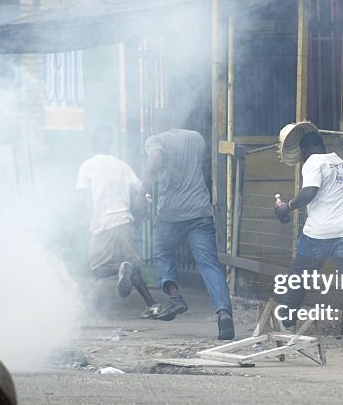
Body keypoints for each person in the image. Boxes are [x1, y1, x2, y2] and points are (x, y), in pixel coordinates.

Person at [135, 122, 234, 340]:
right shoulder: (196, 138)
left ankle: (174, 298)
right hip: (200, 211)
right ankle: (224, 313)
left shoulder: (156, 140)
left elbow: (154, 159)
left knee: (162, 254)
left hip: (170, 214)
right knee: (210, 265)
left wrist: (142, 194)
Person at [274, 129, 343, 329]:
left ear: (304, 151)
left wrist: (288, 206)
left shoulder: (313, 161)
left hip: (319, 233)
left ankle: (287, 320)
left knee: (299, 274)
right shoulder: (339, 162)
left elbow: (310, 192)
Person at [76, 126, 158, 318]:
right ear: (110, 143)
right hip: (124, 221)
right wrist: (143, 211)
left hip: (103, 224)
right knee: (130, 266)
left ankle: (123, 269)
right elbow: (143, 191)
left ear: (93, 142)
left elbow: (81, 198)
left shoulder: (87, 165)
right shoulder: (122, 165)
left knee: (98, 268)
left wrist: (81, 223)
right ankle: (152, 305)